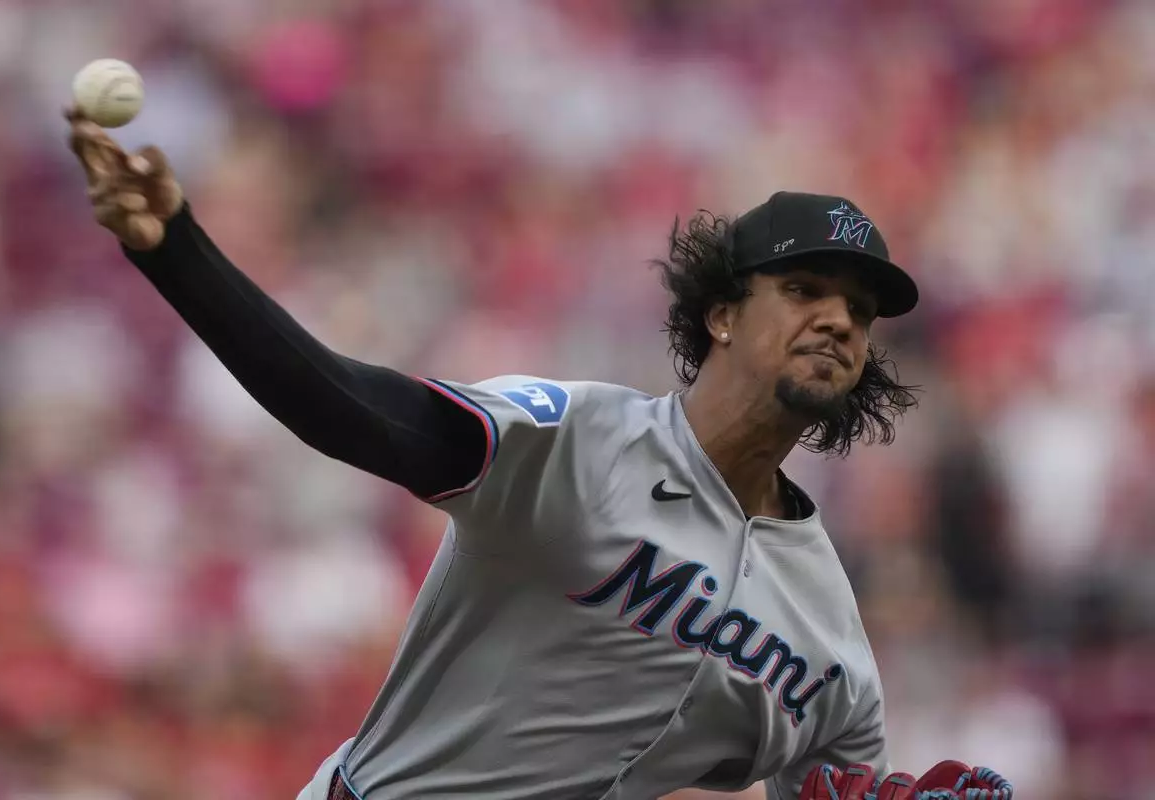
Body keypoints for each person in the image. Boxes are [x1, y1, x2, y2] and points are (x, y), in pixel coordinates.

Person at [64, 109, 1013, 800]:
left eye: (860, 312)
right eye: (805, 289)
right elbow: (344, 408)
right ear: (722, 314)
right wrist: (177, 250)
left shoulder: (832, 639)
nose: (839, 320)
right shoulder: (572, 441)